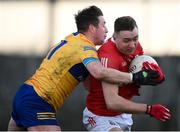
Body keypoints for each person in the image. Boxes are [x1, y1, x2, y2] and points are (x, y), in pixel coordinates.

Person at [8, 6, 161, 131]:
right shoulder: (85, 47)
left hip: (26, 94)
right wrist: (134, 77)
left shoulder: (73, 39)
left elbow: (89, 84)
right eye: (103, 25)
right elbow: (99, 73)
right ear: (92, 28)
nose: (107, 30)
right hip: (38, 100)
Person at [83, 16, 171, 131]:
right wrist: (149, 109)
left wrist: (156, 76)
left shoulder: (136, 47)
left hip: (123, 115)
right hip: (100, 116)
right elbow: (112, 102)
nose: (132, 45)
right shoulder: (109, 57)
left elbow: (137, 76)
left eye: (135, 38)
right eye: (126, 40)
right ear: (114, 37)